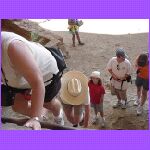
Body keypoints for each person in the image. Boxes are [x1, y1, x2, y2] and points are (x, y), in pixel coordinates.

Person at [1, 31, 64, 130]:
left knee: (48, 103)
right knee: (18, 106)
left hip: (45, 74)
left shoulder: (14, 47)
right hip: (17, 78)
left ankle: (58, 114)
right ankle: (40, 111)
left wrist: (35, 118)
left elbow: (37, 83)